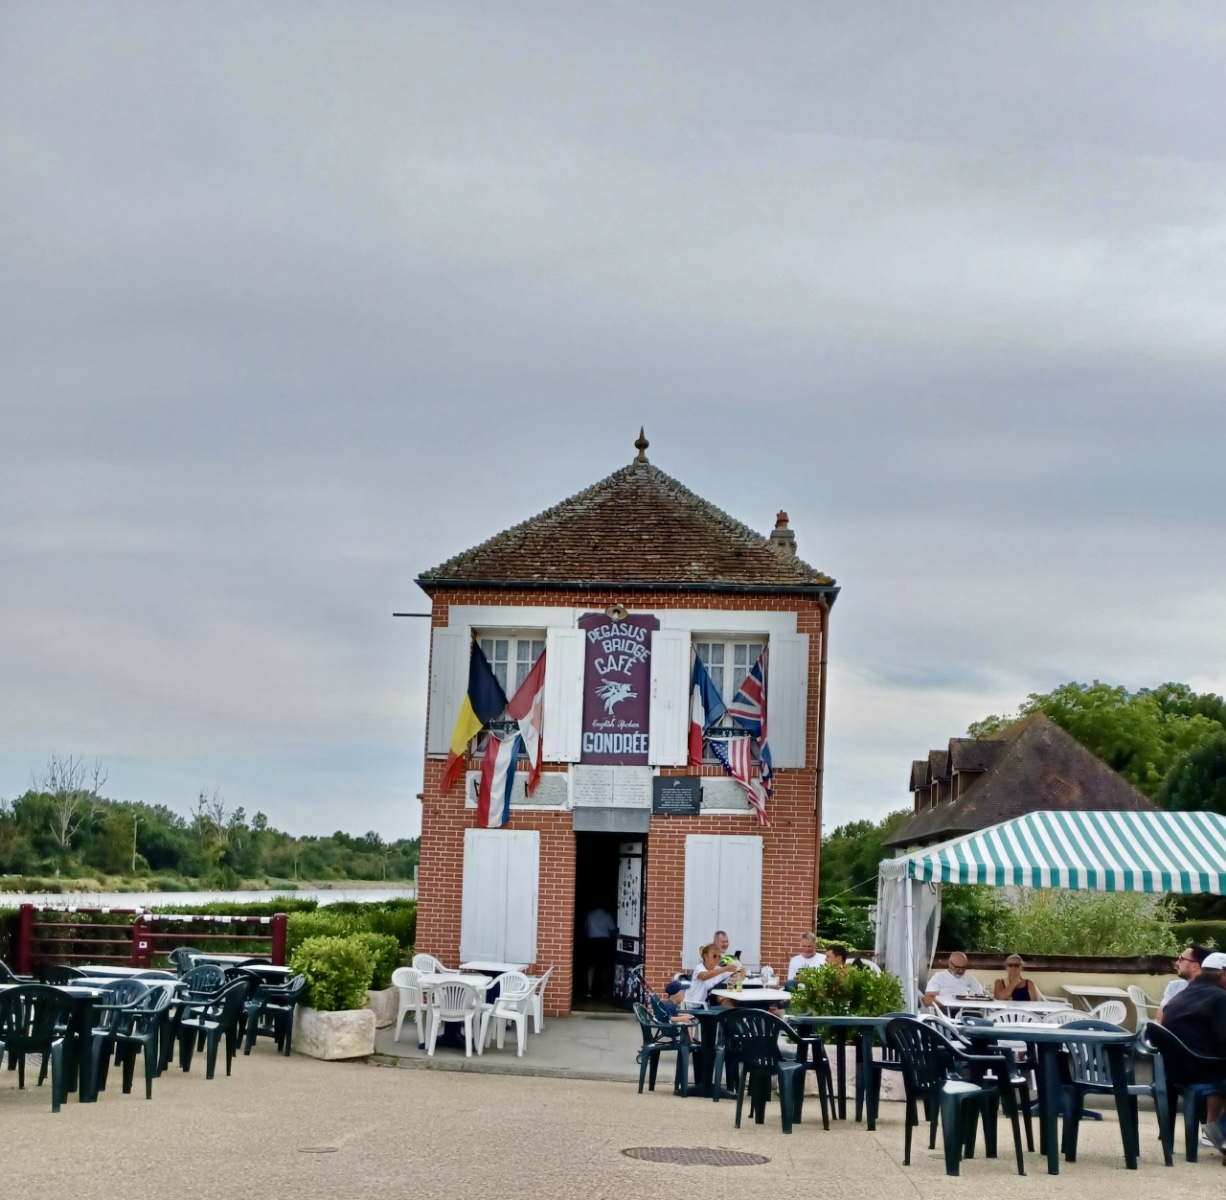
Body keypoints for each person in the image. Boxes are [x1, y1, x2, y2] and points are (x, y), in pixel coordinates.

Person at [1160, 951, 1226, 1150]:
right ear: (1224, 974)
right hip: (1201, 1068)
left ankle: (1220, 1130)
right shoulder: (1219, 998)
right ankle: (1221, 1130)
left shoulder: (1184, 994)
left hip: (1173, 1069)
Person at [1157, 945, 1208, 1022]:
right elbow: (1160, 1018)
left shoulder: (1211, 992)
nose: (1177, 963)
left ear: (1194, 966)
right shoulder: (1174, 986)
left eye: (1181, 959)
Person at [686, 942, 746, 1009]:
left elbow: (734, 978)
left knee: (728, 999)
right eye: (714, 956)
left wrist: (741, 973)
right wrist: (724, 969)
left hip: (707, 1004)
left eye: (719, 956)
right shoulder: (699, 968)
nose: (717, 959)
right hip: (696, 1006)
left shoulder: (719, 969)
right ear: (705, 956)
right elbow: (703, 976)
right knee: (722, 999)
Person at [583, 905, 617, 999]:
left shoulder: (590, 914)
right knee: (604, 967)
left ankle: (589, 989)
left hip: (592, 941)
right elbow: (612, 930)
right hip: (604, 942)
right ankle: (604, 990)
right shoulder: (607, 915)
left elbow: (586, 928)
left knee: (591, 966)